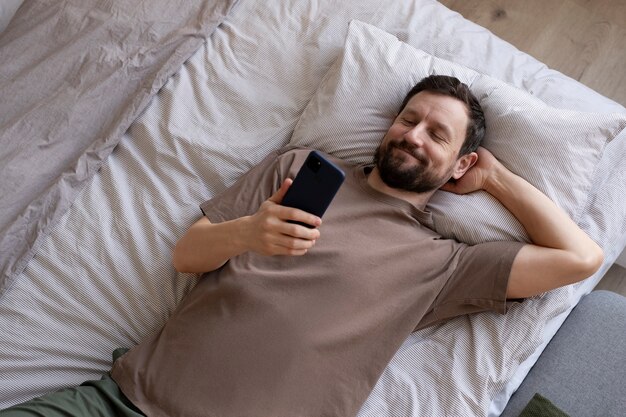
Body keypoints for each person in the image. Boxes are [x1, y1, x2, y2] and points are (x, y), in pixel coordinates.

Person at [1, 75, 603, 417]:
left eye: (436, 133)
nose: (413, 135)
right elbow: (187, 257)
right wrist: (249, 233)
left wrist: (495, 178)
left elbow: (580, 259)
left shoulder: (443, 265)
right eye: (407, 118)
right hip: (122, 404)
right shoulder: (300, 168)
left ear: (459, 163)